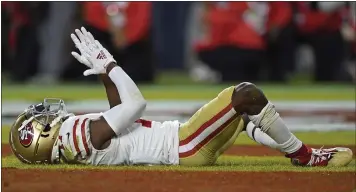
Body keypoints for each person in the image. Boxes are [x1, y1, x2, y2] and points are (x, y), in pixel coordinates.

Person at [9, 27, 352, 167]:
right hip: (185, 144)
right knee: (245, 94)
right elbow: (136, 106)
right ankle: (304, 156)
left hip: (183, 140)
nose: (46, 115)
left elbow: (120, 116)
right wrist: (110, 64)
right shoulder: (81, 137)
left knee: (245, 114)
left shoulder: (77, 140)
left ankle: (286, 146)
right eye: (41, 120)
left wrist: (104, 75)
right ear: (45, 135)